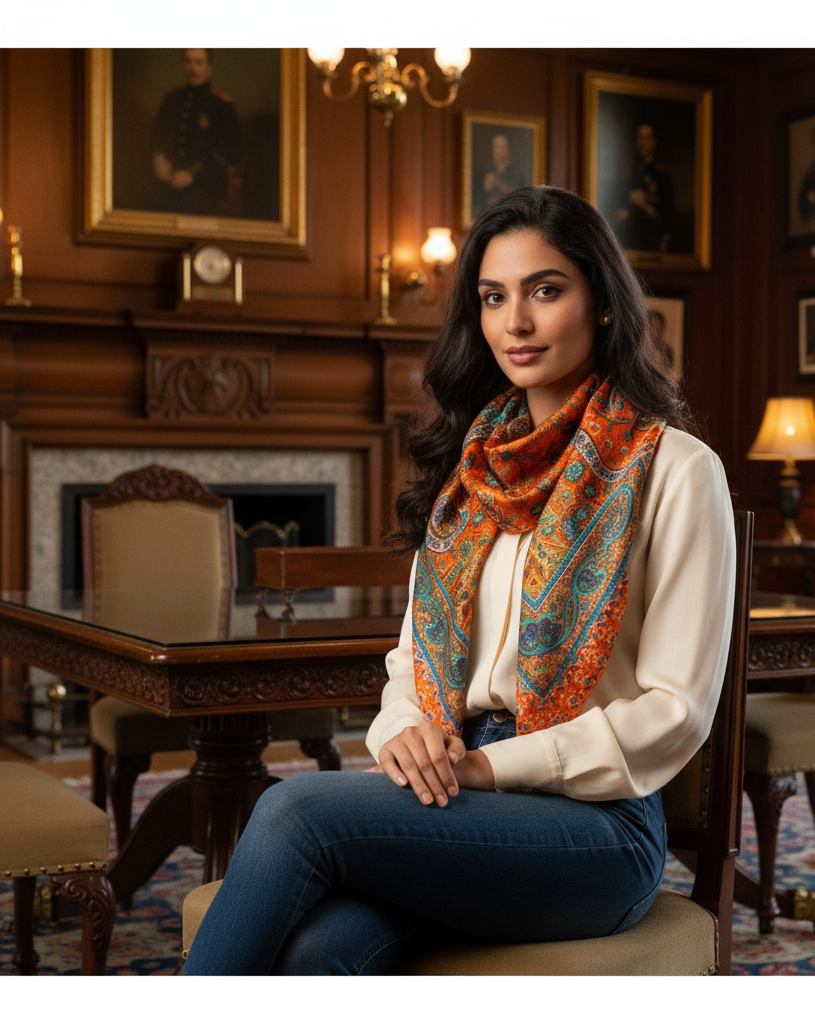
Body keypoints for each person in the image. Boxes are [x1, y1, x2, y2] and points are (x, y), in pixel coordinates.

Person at [182, 185, 736, 976]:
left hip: (595, 827)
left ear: (603, 302)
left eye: (546, 290)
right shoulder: (472, 471)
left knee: (293, 809)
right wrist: (404, 739)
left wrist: (488, 767)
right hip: (454, 791)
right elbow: (411, 664)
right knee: (318, 952)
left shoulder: (676, 469)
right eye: (493, 297)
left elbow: (677, 712)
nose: (516, 322)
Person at [151, 49, 242, 216]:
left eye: (198, 62)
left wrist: (193, 175)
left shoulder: (221, 103)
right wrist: (159, 158)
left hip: (206, 189)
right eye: (188, 62)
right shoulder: (172, 98)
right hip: (169, 185)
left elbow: (231, 152)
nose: (192, 68)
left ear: (209, 68)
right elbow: (156, 136)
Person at [616, 123, 675, 252]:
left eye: (647, 138)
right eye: (640, 138)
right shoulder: (630, 169)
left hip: (650, 233)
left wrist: (644, 200)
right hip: (629, 234)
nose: (643, 143)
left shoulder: (660, 173)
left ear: (654, 142)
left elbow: (667, 208)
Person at [479, 133, 526, 211]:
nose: (500, 151)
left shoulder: (517, 173)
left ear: (509, 150)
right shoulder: (484, 172)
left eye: (503, 147)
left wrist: (498, 183)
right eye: (497, 147)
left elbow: (520, 198)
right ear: (492, 150)